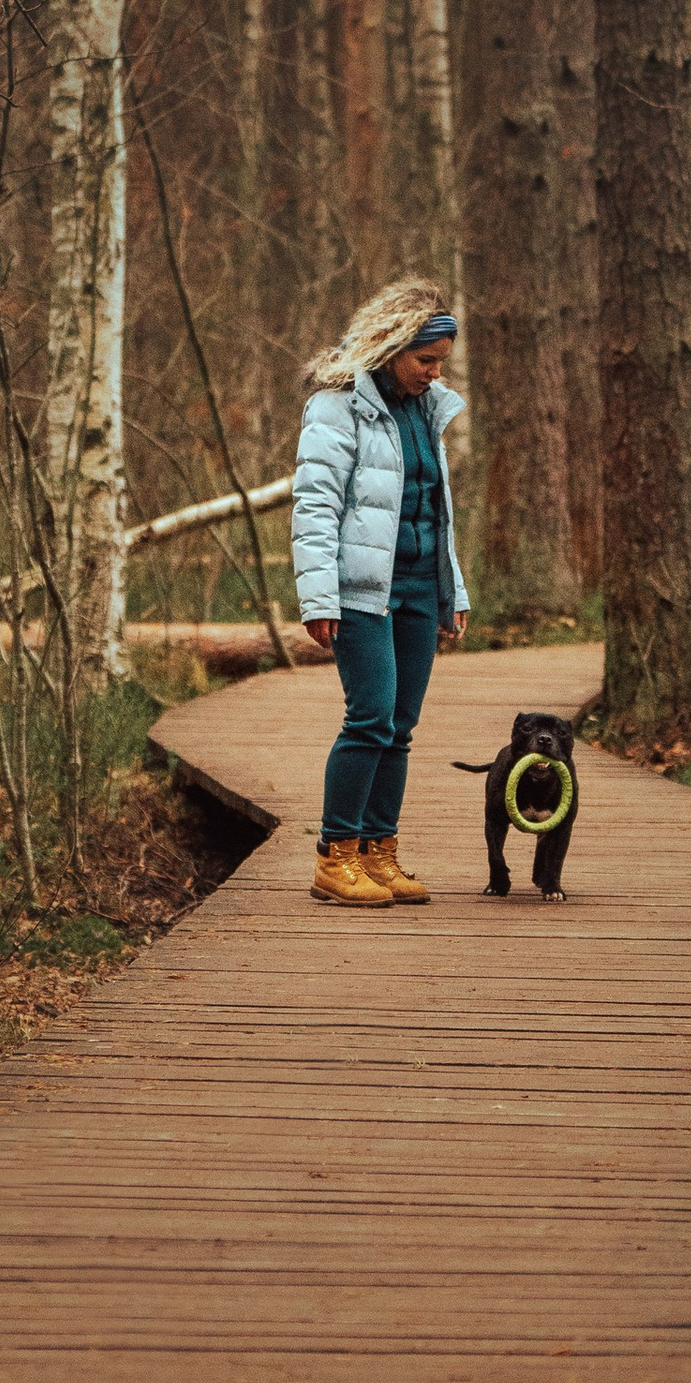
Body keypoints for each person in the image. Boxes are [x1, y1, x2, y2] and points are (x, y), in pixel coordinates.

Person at [289, 276, 468, 909]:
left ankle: (377, 852)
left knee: (401, 725)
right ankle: (334, 857)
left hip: (419, 586)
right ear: (390, 347)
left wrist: (454, 589)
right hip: (361, 590)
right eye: (425, 361)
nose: (433, 373)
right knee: (370, 716)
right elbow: (316, 504)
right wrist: (318, 599)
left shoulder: (425, 405)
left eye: (439, 363)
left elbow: (434, 505)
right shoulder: (338, 405)